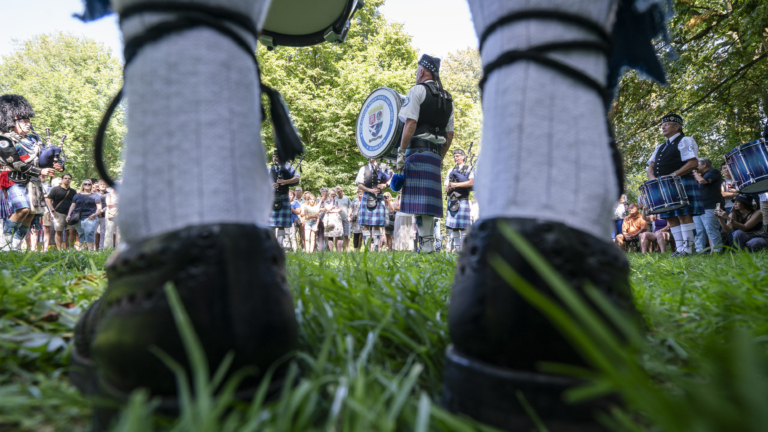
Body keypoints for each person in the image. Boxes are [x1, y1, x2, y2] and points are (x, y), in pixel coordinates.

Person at [395, 54, 454, 253]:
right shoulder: (447, 98)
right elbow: (449, 133)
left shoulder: (417, 90)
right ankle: (427, 244)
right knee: (426, 205)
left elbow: (410, 122)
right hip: (435, 154)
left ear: (422, 70)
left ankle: (425, 244)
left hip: (417, 152)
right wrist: (441, 156)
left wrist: (401, 152)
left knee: (419, 204)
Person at [0, 95, 61, 251]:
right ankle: (4, 244)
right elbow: (14, 162)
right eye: (24, 121)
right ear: (12, 123)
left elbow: (42, 160)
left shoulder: (34, 140)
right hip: (13, 179)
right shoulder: (5, 139)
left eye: (28, 121)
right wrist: (41, 170)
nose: (28, 124)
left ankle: (14, 246)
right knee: (23, 209)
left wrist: (56, 164)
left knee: (31, 214)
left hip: (33, 181)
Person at [646, 113, 703, 256]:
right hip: (663, 186)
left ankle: (689, 249)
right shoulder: (659, 146)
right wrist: (653, 178)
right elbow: (650, 167)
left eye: (667, 124)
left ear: (677, 126)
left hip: (681, 181)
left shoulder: (685, 140)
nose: (663, 127)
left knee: (684, 215)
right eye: (662, 124)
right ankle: (679, 249)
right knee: (670, 217)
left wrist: (673, 176)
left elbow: (693, 163)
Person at [692, 158, 725, 253]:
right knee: (700, 231)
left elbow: (703, 181)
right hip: (699, 207)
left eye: (697, 165)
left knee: (711, 229)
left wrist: (694, 172)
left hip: (711, 205)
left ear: (704, 164)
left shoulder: (713, 171)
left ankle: (717, 251)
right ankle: (700, 251)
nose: (695, 167)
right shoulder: (700, 175)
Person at [444, 148, 474, 252]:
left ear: (463, 157)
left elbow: (471, 183)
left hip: (462, 199)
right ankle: (457, 250)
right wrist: (447, 188)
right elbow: (445, 186)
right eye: (454, 156)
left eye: (457, 156)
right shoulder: (451, 170)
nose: (455, 158)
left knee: (464, 227)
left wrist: (456, 184)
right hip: (452, 200)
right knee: (454, 227)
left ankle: (463, 250)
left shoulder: (469, 168)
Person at [356, 159, 389, 251]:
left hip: (379, 196)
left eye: (373, 156)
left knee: (377, 224)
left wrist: (385, 185)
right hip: (367, 196)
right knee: (365, 224)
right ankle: (367, 248)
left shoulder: (383, 165)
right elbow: (359, 185)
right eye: (369, 156)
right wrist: (370, 190)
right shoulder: (363, 168)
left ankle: (375, 248)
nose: (371, 158)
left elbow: (392, 178)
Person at [269, 151, 300, 247]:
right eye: (274, 156)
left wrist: (285, 181)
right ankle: (272, 245)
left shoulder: (288, 168)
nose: (275, 158)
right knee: (271, 225)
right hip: (272, 198)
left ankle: (280, 244)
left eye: (277, 156)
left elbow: (297, 178)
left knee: (281, 224)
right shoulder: (269, 169)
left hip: (284, 197)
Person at [66, 180, 102, 251]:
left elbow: (99, 208)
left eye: (89, 184)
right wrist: (68, 215)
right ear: (82, 185)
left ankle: (90, 250)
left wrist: (95, 214)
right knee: (81, 233)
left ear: (91, 186)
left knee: (89, 232)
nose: (87, 185)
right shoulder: (77, 195)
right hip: (78, 218)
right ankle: (82, 250)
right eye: (85, 184)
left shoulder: (95, 195)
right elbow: (73, 205)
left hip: (90, 218)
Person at [46, 173, 76, 250]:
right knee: (59, 231)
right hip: (59, 213)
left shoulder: (73, 191)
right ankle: (59, 250)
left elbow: (75, 203)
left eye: (69, 178)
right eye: (65, 178)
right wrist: (53, 211)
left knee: (71, 231)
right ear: (62, 180)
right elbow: (48, 200)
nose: (67, 180)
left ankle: (70, 249)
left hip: (70, 214)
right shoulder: (55, 189)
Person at [335, 186, 352, 251]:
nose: (339, 192)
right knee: (337, 235)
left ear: (342, 191)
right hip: (337, 220)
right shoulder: (335, 199)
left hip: (346, 219)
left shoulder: (347, 198)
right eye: (338, 191)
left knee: (346, 235)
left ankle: (347, 250)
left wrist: (349, 216)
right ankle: (337, 250)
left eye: (340, 191)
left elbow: (350, 207)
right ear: (336, 192)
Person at [94, 180, 109, 250]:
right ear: (98, 186)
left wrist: (102, 211)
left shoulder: (109, 194)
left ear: (107, 186)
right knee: (93, 232)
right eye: (101, 184)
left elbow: (108, 205)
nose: (103, 185)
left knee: (103, 232)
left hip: (105, 216)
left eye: (104, 184)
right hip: (95, 216)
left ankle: (101, 248)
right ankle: (92, 248)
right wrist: (98, 212)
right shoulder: (95, 194)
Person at [104, 185, 120, 249]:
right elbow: (108, 204)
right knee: (109, 231)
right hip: (110, 214)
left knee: (119, 232)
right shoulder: (109, 195)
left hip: (119, 214)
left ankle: (118, 248)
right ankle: (108, 248)